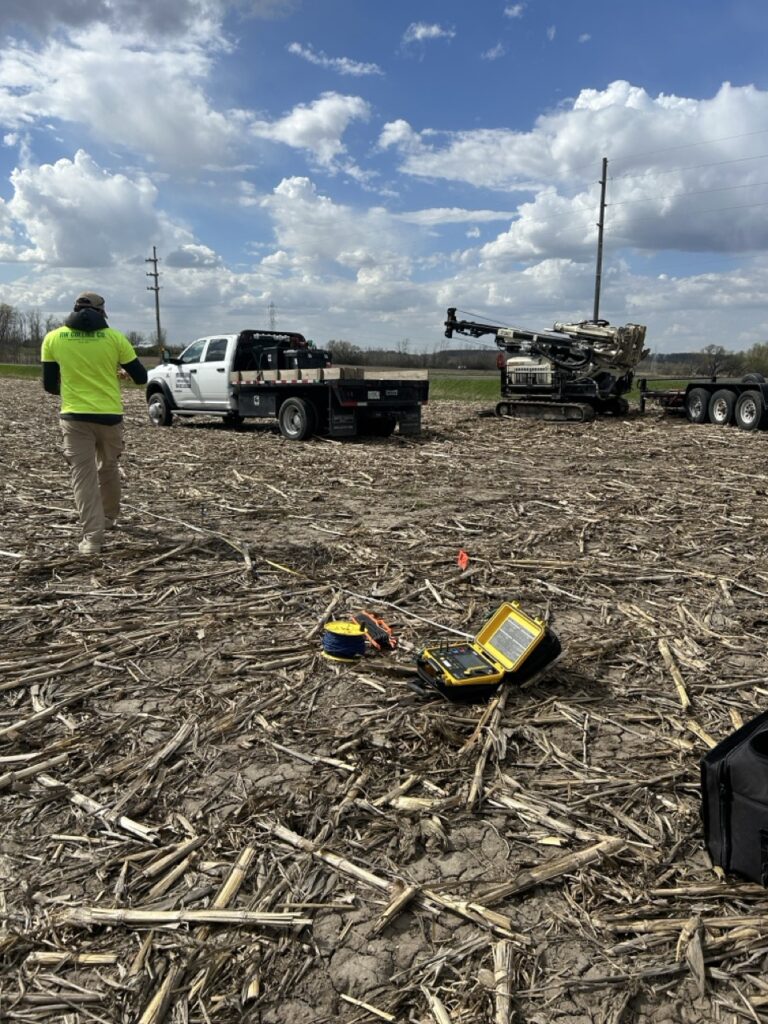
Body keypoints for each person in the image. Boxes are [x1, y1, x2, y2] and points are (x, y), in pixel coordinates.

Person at [41, 292, 148, 556]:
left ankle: (92, 539)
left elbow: (49, 386)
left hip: (75, 417)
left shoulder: (53, 338)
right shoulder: (114, 338)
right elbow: (141, 377)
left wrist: (73, 385)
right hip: (110, 417)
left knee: (83, 476)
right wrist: (113, 373)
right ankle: (110, 518)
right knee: (108, 467)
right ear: (102, 312)